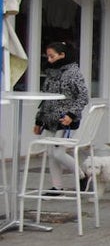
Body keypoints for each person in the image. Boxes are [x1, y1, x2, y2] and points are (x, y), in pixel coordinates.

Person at [33, 41, 89, 193]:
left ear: (62, 55)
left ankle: (82, 175)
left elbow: (83, 96)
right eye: (48, 57)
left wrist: (71, 115)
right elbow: (46, 99)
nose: (49, 60)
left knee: (58, 153)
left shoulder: (73, 72)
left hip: (65, 121)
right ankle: (57, 186)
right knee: (51, 153)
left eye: (52, 56)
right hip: (50, 119)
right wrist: (39, 120)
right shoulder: (51, 73)